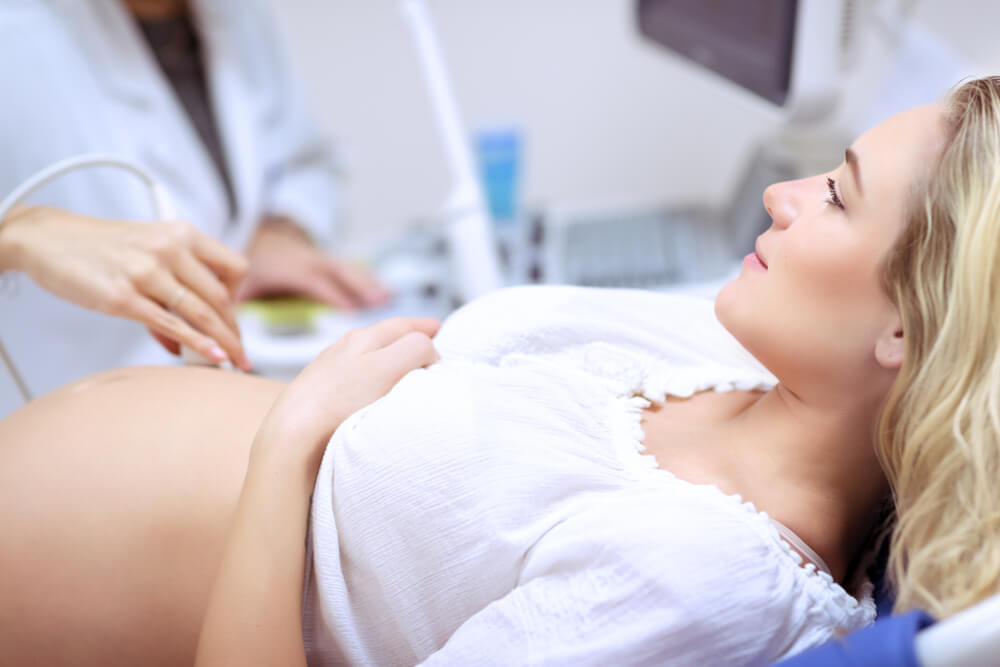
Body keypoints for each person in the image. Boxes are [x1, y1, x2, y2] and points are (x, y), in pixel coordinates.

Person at [1, 77, 998, 666]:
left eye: (835, 194)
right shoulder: (723, 354)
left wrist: (288, 446)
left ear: (909, 327)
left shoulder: (703, 579)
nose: (783, 194)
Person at [0, 0, 389, 415]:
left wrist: (279, 231)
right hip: (50, 418)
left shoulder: (238, 15)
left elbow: (301, 161)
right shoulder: (17, 34)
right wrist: (21, 230)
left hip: (216, 401)